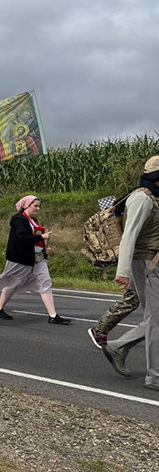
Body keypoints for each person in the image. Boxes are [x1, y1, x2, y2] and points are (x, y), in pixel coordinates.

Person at [101, 156, 159, 391]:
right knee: (155, 320)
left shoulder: (155, 198)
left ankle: (118, 346)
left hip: (154, 263)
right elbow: (129, 236)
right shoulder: (141, 198)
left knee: (156, 319)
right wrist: (122, 271)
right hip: (146, 265)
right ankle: (155, 376)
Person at [0, 195, 71, 324]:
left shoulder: (34, 220)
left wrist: (45, 247)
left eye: (39, 206)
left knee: (46, 282)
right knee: (13, 282)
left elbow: (36, 237)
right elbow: (22, 237)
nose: (38, 208)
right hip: (21, 258)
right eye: (35, 206)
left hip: (38, 258)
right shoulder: (18, 219)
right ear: (27, 206)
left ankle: (53, 315)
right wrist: (41, 237)